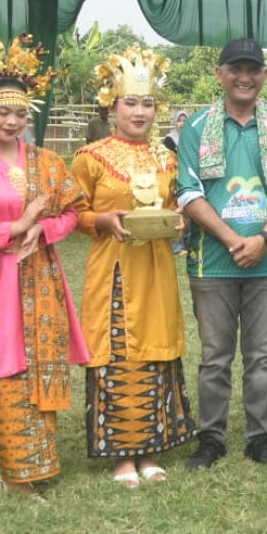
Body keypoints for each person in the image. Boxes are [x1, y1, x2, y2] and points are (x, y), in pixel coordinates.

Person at [0, 44, 89, 499]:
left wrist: (45, 230)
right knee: (9, 369)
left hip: (43, 274)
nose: (11, 121)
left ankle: (42, 460)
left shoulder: (47, 162)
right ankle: (15, 471)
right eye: (2, 112)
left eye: (20, 113)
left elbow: (74, 210)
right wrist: (15, 227)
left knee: (42, 363)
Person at [72, 45, 195, 488]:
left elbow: (177, 203)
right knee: (120, 350)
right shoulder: (91, 157)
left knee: (156, 351)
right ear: (113, 105)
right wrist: (101, 221)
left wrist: (175, 221)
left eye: (146, 103)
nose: (139, 111)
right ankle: (123, 454)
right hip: (115, 271)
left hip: (157, 268)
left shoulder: (168, 159)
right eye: (130, 102)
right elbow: (71, 214)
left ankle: (151, 447)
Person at [175, 37, 267, 470]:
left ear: (265, 75)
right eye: (236, 68)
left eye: (253, 69)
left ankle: (259, 438)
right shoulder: (195, 127)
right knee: (215, 357)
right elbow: (188, 190)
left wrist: (263, 238)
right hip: (213, 262)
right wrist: (232, 239)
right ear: (220, 74)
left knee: (262, 356)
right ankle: (210, 438)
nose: (244, 77)